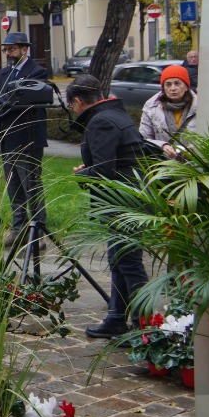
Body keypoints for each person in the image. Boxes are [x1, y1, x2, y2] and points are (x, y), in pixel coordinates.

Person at [67, 75, 151, 340]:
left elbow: (105, 172)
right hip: (130, 196)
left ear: (78, 101)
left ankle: (144, 328)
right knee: (119, 261)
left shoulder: (100, 121)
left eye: (71, 105)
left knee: (129, 264)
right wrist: (91, 168)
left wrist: (83, 174)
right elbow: (119, 160)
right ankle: (116, 319)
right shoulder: (115, 114)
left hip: (122, 202)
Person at [0, 31, 49, 264]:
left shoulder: (37, 71)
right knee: (13, 186)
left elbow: (22, 99)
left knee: (31, 185)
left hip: (28, 138)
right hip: (7, 138)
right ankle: (19, 227)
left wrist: (5, 101)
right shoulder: (3, 74)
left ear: (24, 49)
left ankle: (38, 231)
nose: (8, 53)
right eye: (6, 49)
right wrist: (5, 101)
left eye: (11, 49)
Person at [139, 64, 197, 159]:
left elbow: (208, 138)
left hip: (196, 162)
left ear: (186, 87)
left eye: (177, 83)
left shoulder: (200, 107)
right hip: (165, 162)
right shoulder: (151, 108)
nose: (173, 88)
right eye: (168, 84)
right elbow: (144, 139)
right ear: (163, 88)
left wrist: (192, 150)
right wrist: (162, 146)